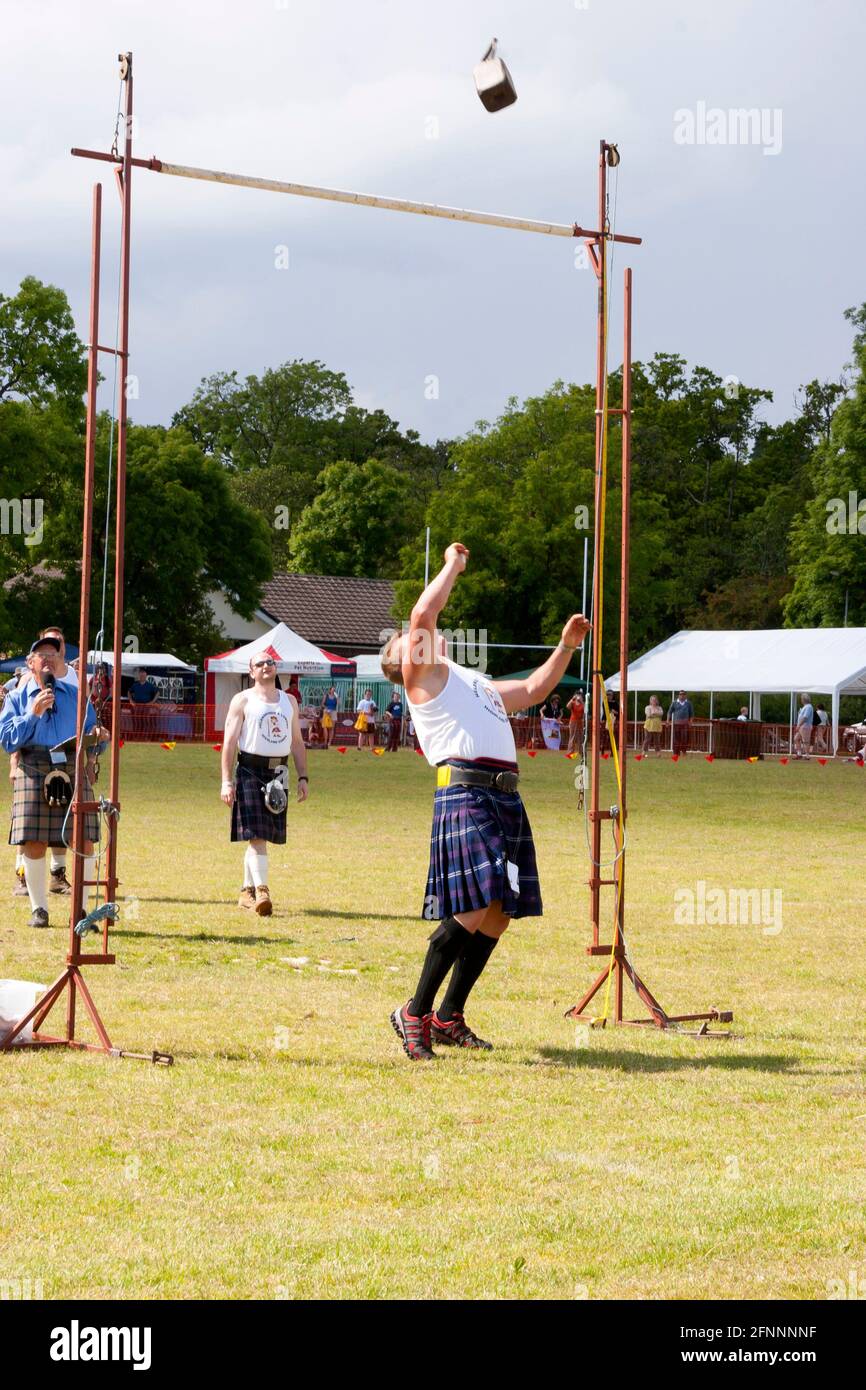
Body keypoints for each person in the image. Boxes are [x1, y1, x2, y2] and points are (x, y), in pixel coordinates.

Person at [380, 541, 591, 1060]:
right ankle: (414, 1013)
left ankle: (449, 1015)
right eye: (413, 642)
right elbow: (423, 612)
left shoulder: (473, 683)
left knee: (499, 910)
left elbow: (537, 691)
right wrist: (454, 564)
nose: (425, 638)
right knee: (473, 906)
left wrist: (565, 646)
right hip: (466, 792)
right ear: (407, 656)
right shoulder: (422, 677)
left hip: (504, 797)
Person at [0, 636, 99, 929]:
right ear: (30, 663)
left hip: (70, 765)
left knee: (85, 840)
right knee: (34, 841)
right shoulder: (18, 698)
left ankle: (81, 913)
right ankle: (39, 910)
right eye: (41, 655)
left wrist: (98, 739)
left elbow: (91, 732)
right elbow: (7, 740)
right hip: (34, 766)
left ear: (60, 664)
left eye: (54, 656)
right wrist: (34, 713)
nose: (48, 660)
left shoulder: (76, 696)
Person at [220, 651, 309, 916]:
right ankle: (262, 891)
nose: (266, 666)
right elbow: (229, 743)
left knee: (260, 836)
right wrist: (226, 781)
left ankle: (246, 892)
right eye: (260, 663)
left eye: (270, 662)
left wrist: (303, 777)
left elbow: (297, 742)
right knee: (257, 835)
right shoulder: (242, 700)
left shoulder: (289, 701)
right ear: (251, 672)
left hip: (279, 773)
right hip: (250, 770)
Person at [127, 666, 158, 738]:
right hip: (137, 706)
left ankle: (145, 737)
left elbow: (157, 692)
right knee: (136, 721)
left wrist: (152, 702)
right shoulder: (135, 684)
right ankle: (136, 736)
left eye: (143, 674)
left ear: (146, 675)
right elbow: (129, 692)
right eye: (141, 674)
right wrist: (131, 701)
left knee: (145, 721)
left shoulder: (150, 685)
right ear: (139, 675)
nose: (142, 676)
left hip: (146, 706)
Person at [667, 690, 694, 755]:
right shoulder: (674, 703)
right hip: (676, 723)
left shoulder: (689, 703)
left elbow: (692, 714)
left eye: (683, 694)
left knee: (684, 738)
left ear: (685, 695)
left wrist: (690, 722)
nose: (682, 696)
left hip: (685, 724)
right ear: (678, 695)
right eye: (680, 694)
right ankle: (676, 752)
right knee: (676, 738)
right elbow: (669, 712)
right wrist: (668, 721)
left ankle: (684, 751)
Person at [793, 693, 814, 758]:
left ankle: (807, 755)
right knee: (796, 738)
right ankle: (799, 753)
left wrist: (799, 725)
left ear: (804, 699)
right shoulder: (805, 707)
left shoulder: (808, 707)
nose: (801, 700)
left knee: (805, 741)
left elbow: (805, 717)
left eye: (801, 699)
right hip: (802, 726)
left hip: (805, 726)